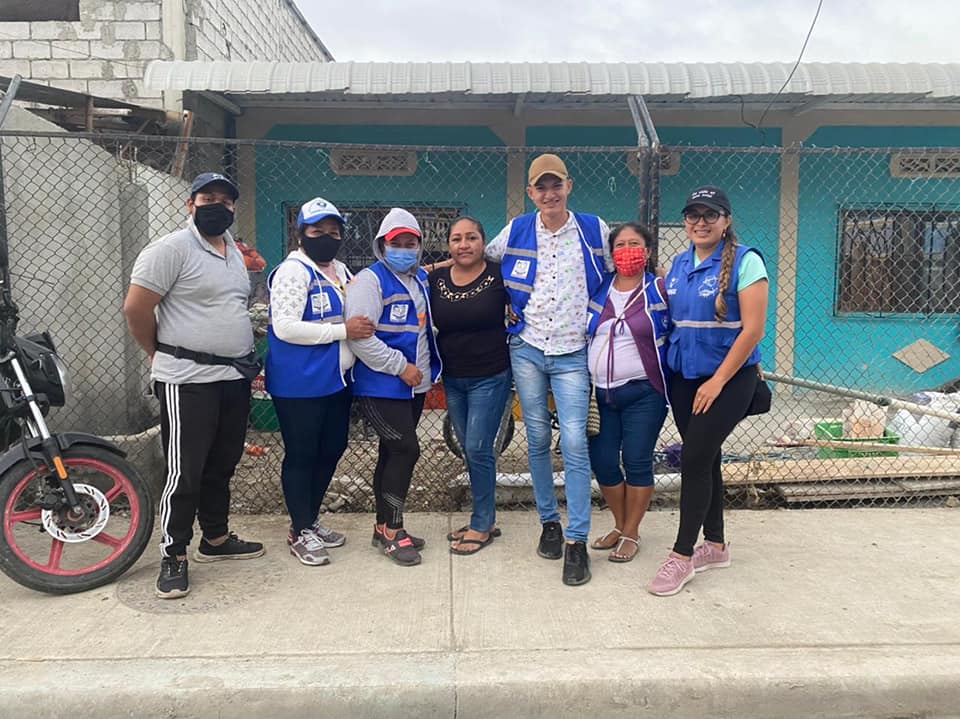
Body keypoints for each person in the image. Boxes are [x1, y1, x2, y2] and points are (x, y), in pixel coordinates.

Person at [124, 172, 264, 600]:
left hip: (232, 377)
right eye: (208, 198)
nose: (218, 205)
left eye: (226, 200)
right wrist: (157, 353)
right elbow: (136, 308)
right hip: (187, 379)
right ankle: (174, 553)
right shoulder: (169, 250)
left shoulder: (233, 252)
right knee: (185, 470)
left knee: (223, 461)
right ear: (190, 204)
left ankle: (215, 538)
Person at [485, 153, 612, 586]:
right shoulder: (516, 230)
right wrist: (501, 300)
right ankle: (549, 524)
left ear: (569, 186)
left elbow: (620, 272)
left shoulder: (594, 230)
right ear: (530, 192)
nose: (549, 193)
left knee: (574, 441)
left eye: (556, 185)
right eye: (541, 187)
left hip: (574, 350)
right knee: (537, 436)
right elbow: (483, 261)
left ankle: (577, 540)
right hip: (527, 347)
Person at [648, 185, 769, 597]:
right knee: (707, 456)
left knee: (695, 458)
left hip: (729, 379)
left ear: (726, 220)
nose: (700, 222)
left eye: (710, 215)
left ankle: (682, 555)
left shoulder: (747, 262)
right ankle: (715, 546)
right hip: (685, 379)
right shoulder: (679, 265)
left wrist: (717, 382)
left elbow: (753, 330)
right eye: (693, 215)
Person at [265, 197, 376, 566]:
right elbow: (285, 327)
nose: (327, 237)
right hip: (300, 382)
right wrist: (342, 331)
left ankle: (310, 519)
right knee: (302, 454)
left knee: (332, 447)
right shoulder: (293, 272)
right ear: (301, 234)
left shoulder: (340, 270)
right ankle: (300, 530)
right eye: (317, 231)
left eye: (333, 231)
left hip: (335, 379)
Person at [345, 208, 442, 567]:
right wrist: (401, 367)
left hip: (411, 387)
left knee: (391, 453)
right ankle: (393, 531)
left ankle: (382, 526)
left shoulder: (418, 281)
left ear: (419, 246)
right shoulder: (369, 282)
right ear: (382, 246)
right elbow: (361, 340)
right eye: (396, 243)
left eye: (410, 243)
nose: (403, 249)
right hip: (381, 385)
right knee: (405, 450)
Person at [586, 223, 671, 563]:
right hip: (601, 395)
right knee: (603, 461)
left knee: (636, 459)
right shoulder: (599, 288)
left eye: (634, 244)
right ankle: (621, 526)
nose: (627, 251)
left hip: (644, 392)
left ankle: (632, 532)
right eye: (620, 245)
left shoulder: (660, 289)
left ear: (647, 252)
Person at [429, 217, 512, 555]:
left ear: (483, 242)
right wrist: (440, 264)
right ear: (448, 244)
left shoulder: (499, 274)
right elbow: (411, 275)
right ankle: (484, 518)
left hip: (490, 375)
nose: (464, 245)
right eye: (456, 239)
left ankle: (481, 523)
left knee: (478, 447)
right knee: (469, 448)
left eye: (471, 238)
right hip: (453, 377)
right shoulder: (435, 279)